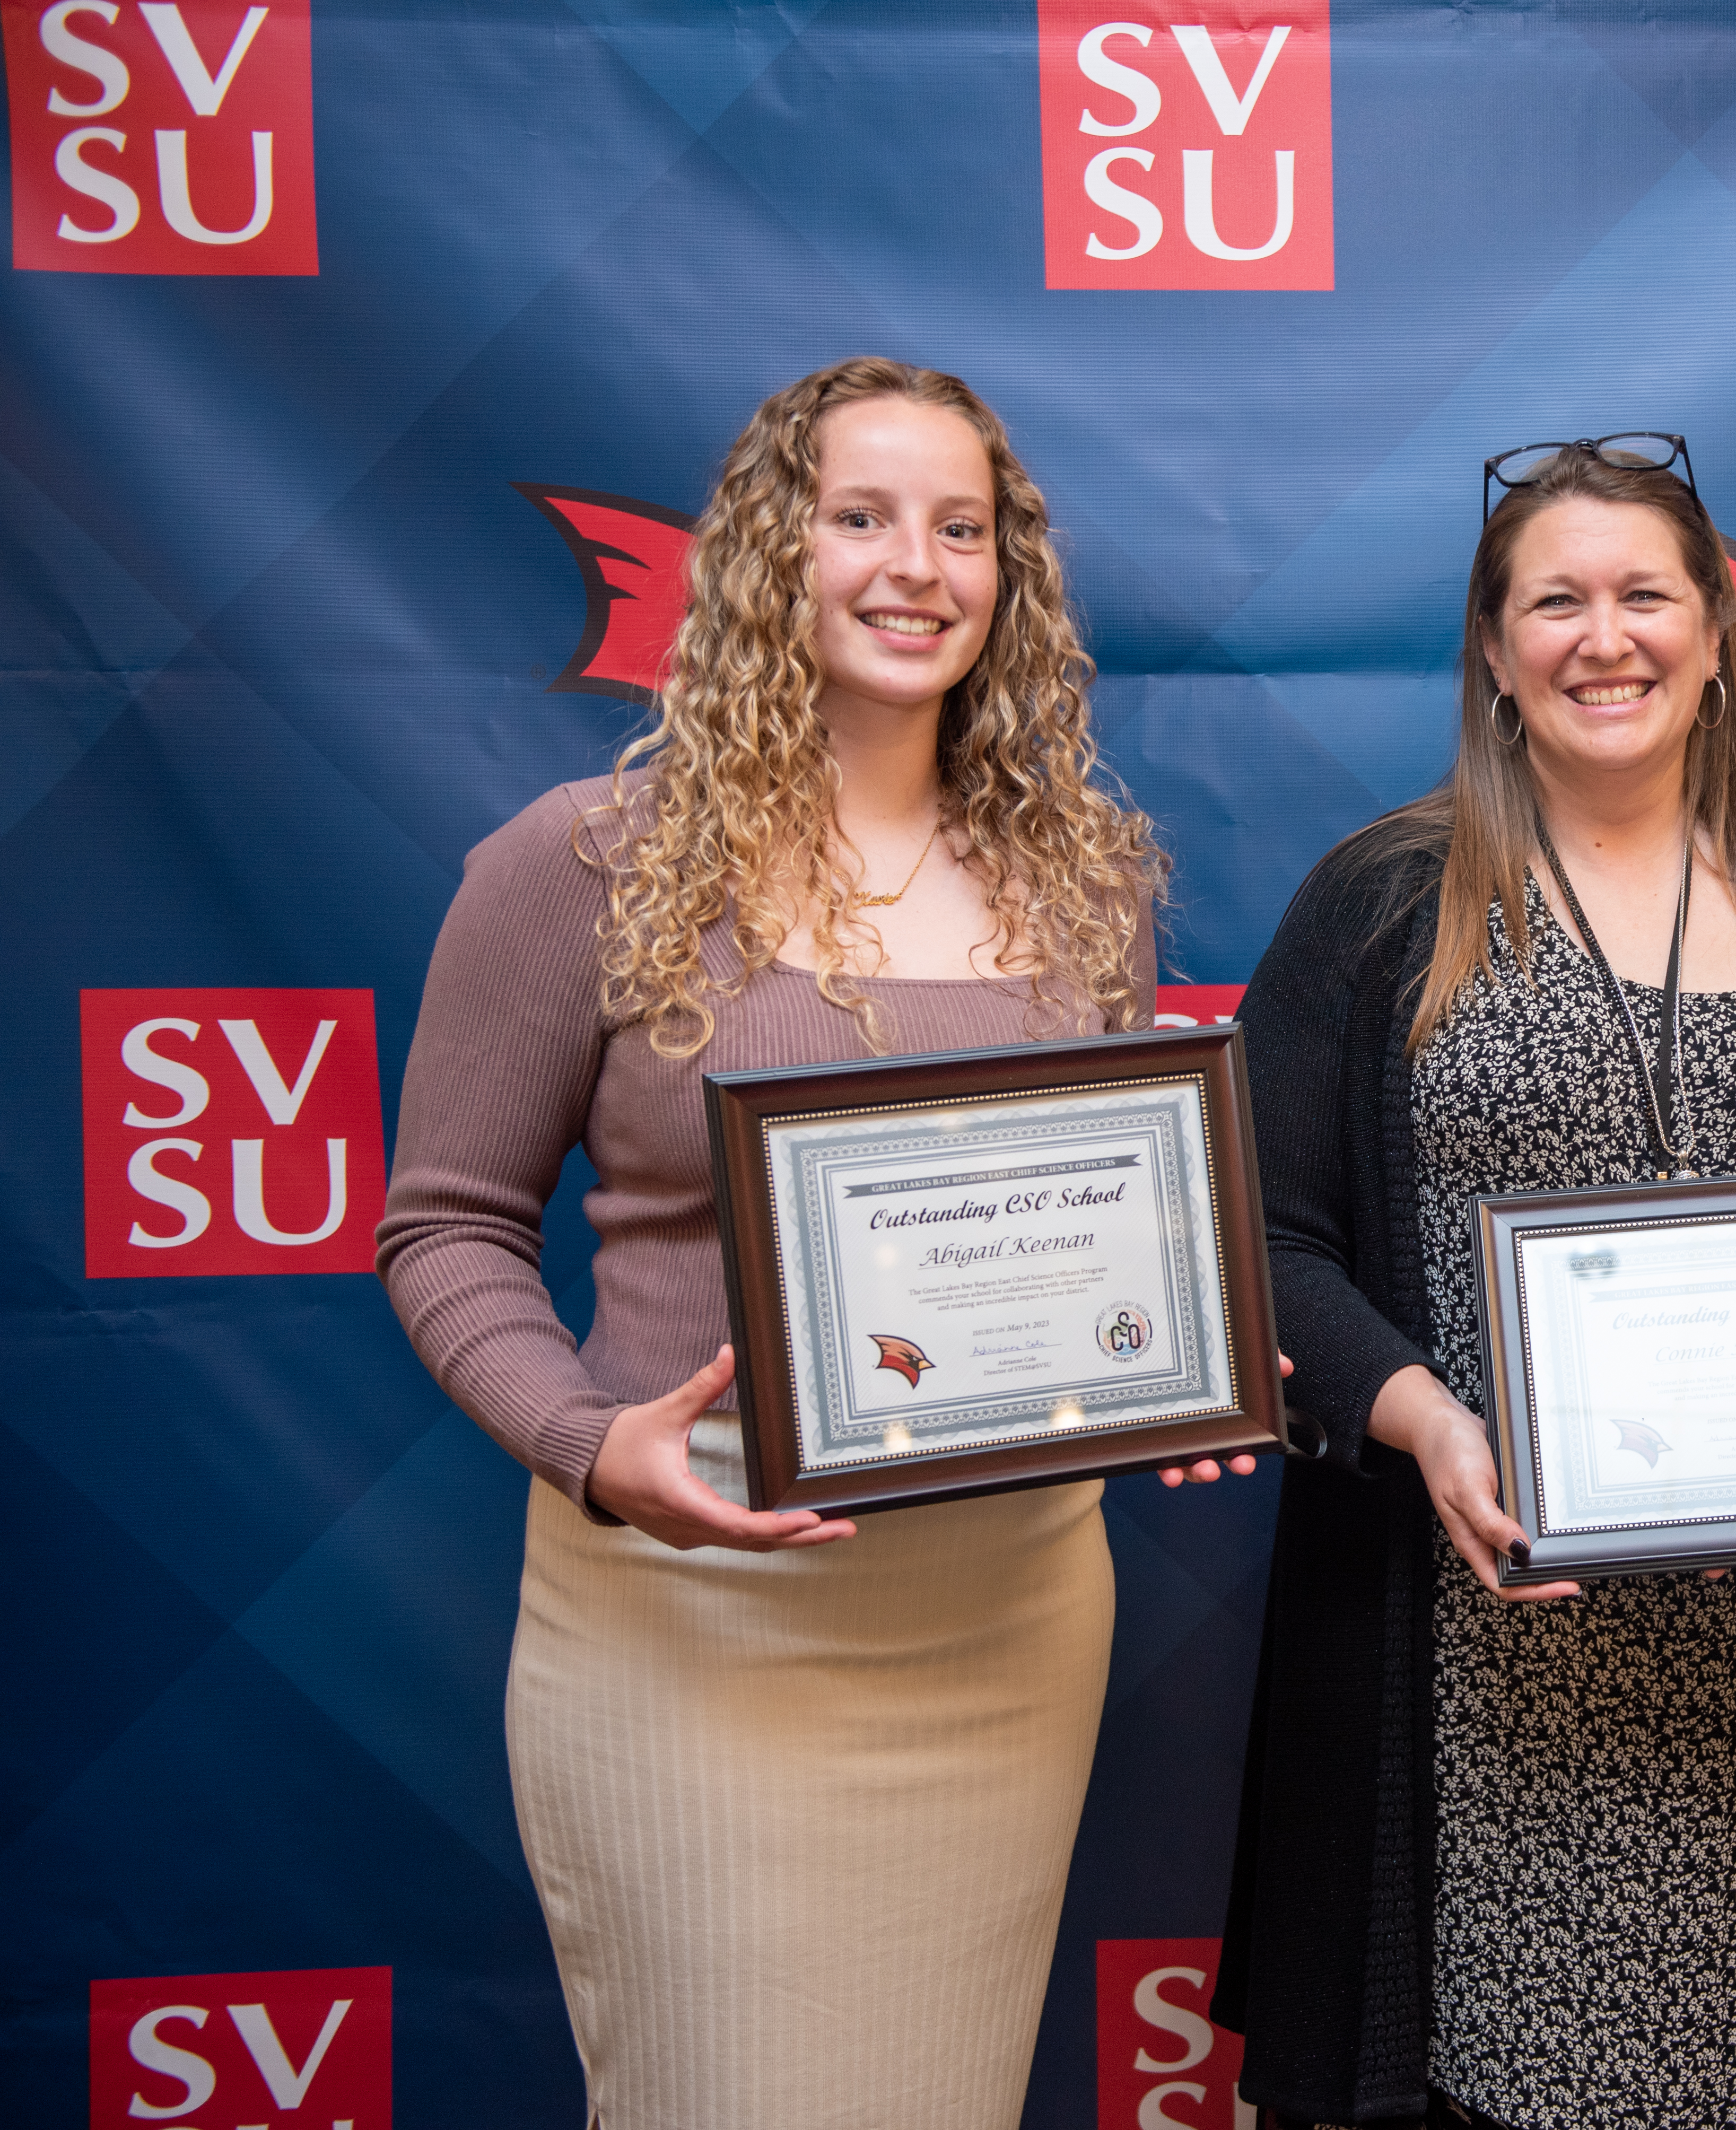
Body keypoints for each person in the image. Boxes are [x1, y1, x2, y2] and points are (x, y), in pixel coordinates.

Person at [378, 356, 1250, 2130]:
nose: (916, 567)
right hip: (699, 1599)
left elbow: (1093, 1219)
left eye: (962, 528)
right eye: (862, 517)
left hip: (1011, 1605)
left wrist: (1183, 1355)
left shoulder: (1087, 880)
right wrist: (587, 1442)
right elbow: (445, 1225)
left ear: (1010, 576)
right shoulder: (586, 863)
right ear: (772, 551)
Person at [1211, 435, 1736, 2130]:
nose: (1605, 638)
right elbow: (1261, 1236)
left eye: (1646, 595)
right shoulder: (1381, 904)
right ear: (1494, 650)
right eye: (1554, 602)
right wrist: (1424, 1421)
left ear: (1720, 636)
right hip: (1462, 1623)